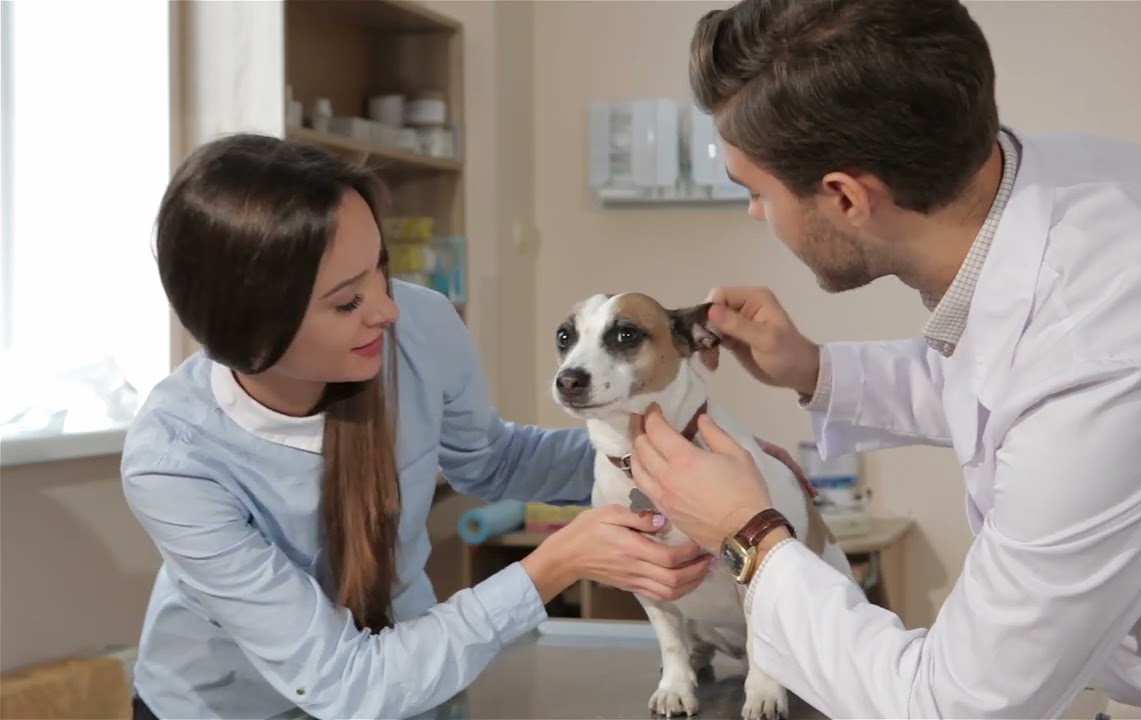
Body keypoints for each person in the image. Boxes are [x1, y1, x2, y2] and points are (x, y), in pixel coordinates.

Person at [626, 0, 1141, 718]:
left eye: (756, 193)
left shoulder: (1113, 359)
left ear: (844, 197)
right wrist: (816, 369)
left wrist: (749, 536)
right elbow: (1004, 376)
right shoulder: (1061, 188)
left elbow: (957, 707)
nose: (757, 214)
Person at [119, 133, 732, 720]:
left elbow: (492, 460)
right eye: (346, 301)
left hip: (404, 681)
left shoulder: (419, 323)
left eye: (380, 269)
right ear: (254, 337)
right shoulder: (174, 460)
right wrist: (554, 565)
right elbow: (343, 680)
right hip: (226, 707)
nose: (387, 309)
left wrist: (680, 456)